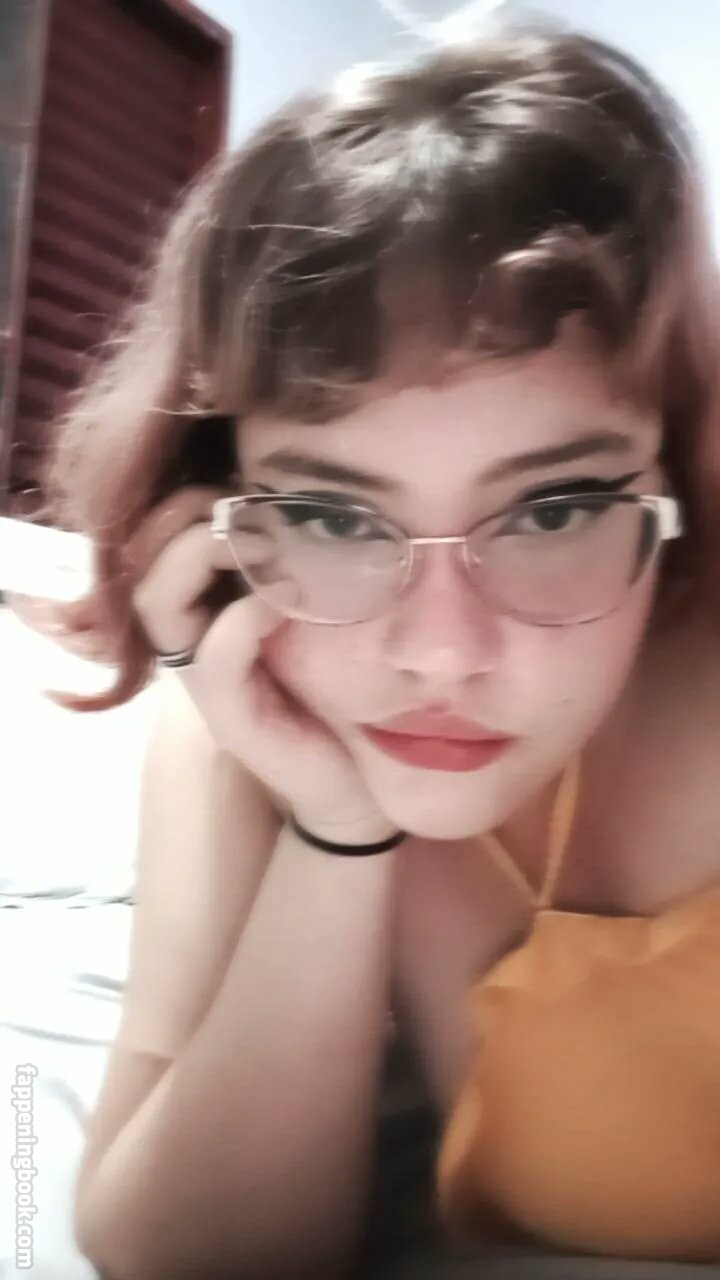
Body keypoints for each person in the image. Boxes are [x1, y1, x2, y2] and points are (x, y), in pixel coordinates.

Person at [43, 14, 720, 1280]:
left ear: (679, 477)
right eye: (336, 515)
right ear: (215, 510)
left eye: (554, 509)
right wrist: (336, 830)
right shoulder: (243, 714)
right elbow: (175, 1251)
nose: (441, 656)